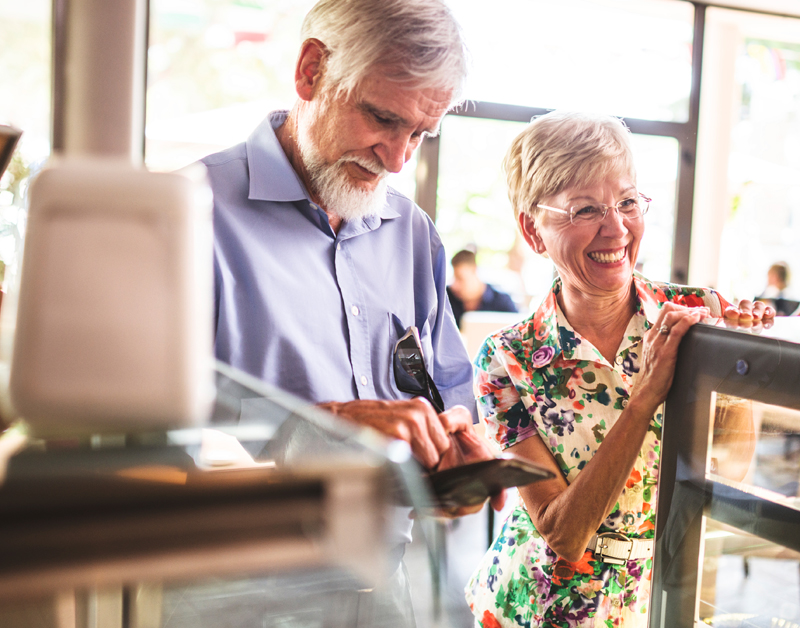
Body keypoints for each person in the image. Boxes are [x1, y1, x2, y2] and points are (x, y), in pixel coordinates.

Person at [202, 0, 502, 625]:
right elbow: (148, 438)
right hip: (234, 599)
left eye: (420, 134)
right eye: (382, 118)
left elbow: (450, 390)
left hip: (385, 594)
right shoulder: (186, 215)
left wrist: (457, 458)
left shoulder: (413, 234)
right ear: (311, 70)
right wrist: (328, 425)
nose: (397, 160)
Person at [464, 111, 773, 628]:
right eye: (586, 210)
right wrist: (644, 397)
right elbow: (562, 534)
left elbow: (731, 471)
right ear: (533, 231)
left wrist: (738, 366)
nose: (616, 228)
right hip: (537, 608)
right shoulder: (507, 360)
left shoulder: (697, 315)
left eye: (628, 202)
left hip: (658, 599)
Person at [447, 249, 518, 328]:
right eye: (453, 278)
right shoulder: (447, 299)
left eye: (460, 278)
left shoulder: (503, 302)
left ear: (474, 270)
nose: (455, 286)